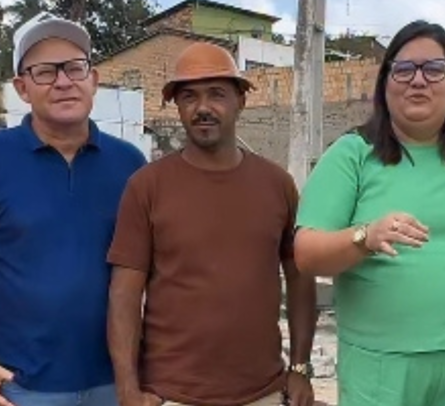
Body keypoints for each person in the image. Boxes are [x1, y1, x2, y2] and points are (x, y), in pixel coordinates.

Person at [293, 20, 445, 406]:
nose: (418, 80)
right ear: (385, 83)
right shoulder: (352, 154)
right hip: (382, 364)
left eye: (434, 69)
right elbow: (306, 253)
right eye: (403, 69)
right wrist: (365, 236)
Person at [107, 42, 317, 406]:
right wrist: (127, 387)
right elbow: (124, 294)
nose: (203, 108)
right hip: (173, 395)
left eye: (217, 94)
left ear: (241, 101)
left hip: (264, 392)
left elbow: (300, 278)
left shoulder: (276, 183)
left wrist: (299, 368)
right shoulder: (147, 186)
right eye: (189, 96)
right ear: (177, 106)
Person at [0, 12, 147, 406]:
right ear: (22, 88)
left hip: (114, 379)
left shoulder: (129, 163)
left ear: (94, 80)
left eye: (75, 68)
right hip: (19, 383)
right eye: (44, 72)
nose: (63, 82)